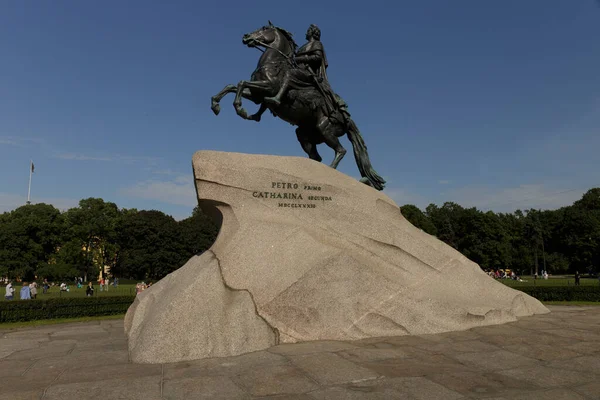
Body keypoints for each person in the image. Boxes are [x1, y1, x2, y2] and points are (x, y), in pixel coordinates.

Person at [265, 24, 350, 121]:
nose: (306, 32)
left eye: (309, 30)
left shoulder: (317, 44)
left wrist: (299, 58)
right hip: (300, 70)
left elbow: (317, 58)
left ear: (313, 33)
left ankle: (278, 98)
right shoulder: (303, 46)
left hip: (308, 73)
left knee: (290, 73)